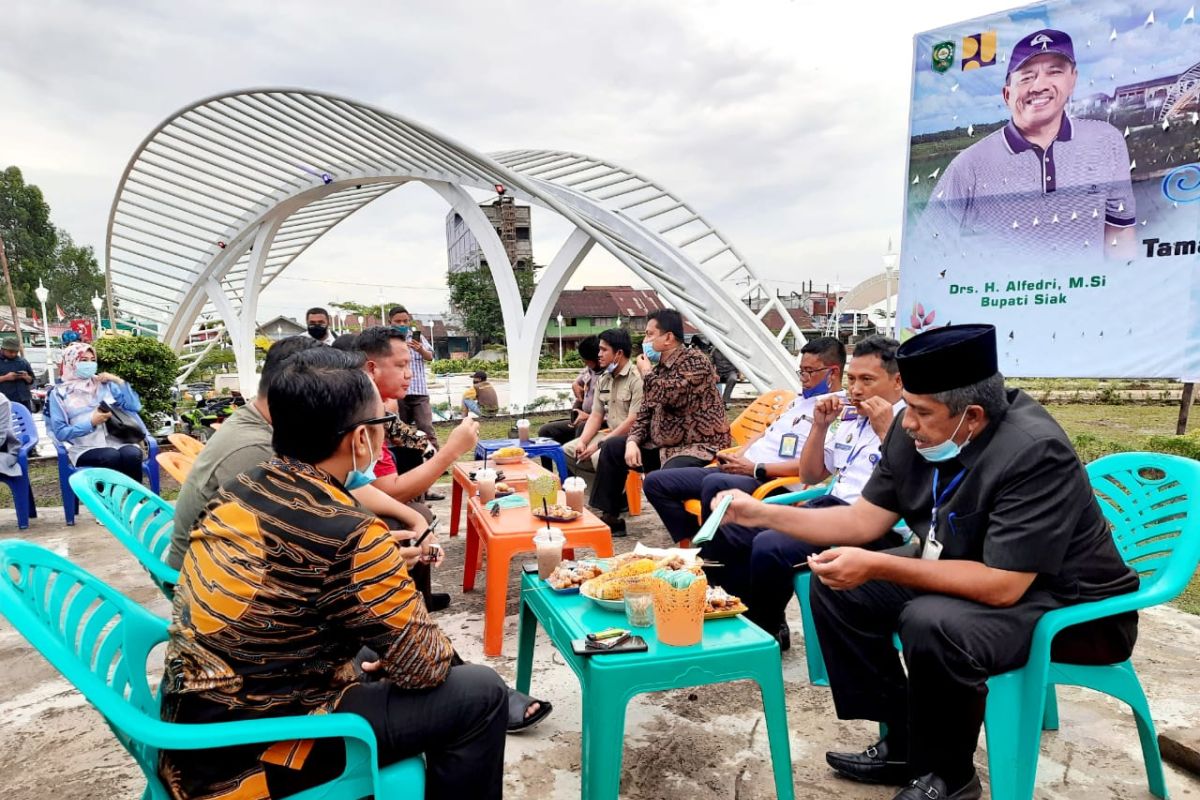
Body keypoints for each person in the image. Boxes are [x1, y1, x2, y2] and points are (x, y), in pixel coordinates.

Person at [714, 324, 1139, 800]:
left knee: (931, 621)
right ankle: (904, 743)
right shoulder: (915, 431)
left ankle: (950, 775)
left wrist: (879, 566)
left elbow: (1003, 585)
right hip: (970, 570)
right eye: (908, 407)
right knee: (837, 588)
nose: (906, 422)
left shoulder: (1034, 452)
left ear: (972, 416)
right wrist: (762, 514)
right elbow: (861, 523)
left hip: (1066, 603)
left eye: (920, 412)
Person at [159, 348, 509, 800]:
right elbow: (425, 668)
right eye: (382, 424)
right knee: (479, 693)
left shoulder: (241, 489)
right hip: (255, 757)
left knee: (378, 650)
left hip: (191, 732)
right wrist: (401, 649)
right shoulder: (353, 531)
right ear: (361, 439)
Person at [166, 336, 428, 574]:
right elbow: (297, 546)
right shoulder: (257, 450)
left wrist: (408, 520)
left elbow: (344, 493)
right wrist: (371, 563)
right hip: (220, 584)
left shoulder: (273, 431)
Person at [918, 29, 1136, 262]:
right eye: (1026, 76)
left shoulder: (1107, 140)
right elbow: (928, 251)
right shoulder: (968, 165)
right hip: (1003, 297)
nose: (1039, 85)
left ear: (1073, 78)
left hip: (1085, 295)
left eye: (1054, 71)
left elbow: (1120, 231)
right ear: (1007, 94)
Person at [642, 336, 846, 547]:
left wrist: (755, 468)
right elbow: (766, 434)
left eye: (809, 372)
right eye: (801, 371)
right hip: (740, 468)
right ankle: (696, 542)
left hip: (768, 481)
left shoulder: (836, 412)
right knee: (656, 482)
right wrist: (737, 455)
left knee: (715, 484)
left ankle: (711, 553)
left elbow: (814, 468)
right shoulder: (799, 401)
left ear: (833, 372)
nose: (803, 377)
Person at [589, 309, 732, 534]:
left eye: (649, 334)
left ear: (668, 337)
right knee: (613, 447)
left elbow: (671, 395)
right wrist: (632, 441)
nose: (645, 341)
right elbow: (645, 410)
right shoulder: (661, 369)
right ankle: (611, 518)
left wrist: (647, 374)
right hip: (664, 445)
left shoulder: (695, 362)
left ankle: (690, 536)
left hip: (696, 447)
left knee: (663, 478)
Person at [47, 342, 146, 484]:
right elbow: (61, 432)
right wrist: (91, 423)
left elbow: (134, 406)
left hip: (116, 441)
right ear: (70, 362)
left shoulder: (104, 384)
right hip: (84, 447)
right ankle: (106, 503)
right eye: (84, 360)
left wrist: (118, 381)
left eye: (93, 360)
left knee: (133, 454)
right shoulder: (59, 393)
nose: (90, 364)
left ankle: (134, 499)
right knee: (110, 456)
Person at [563, 328, 643, 481]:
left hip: (631, 437)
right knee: (568, 451)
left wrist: (598, 445)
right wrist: (583, 441)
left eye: (603, 350)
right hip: (610, 433)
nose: (599, 354)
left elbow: (633, 420)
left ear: (618, 353)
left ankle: (616, 499)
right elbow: (596, 415)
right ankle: (595, 492)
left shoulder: (636, 379)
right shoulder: (604, 379)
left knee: (598, 456)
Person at [387, 306, 438, 450]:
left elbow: (430, 357)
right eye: (398, 321)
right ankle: (406, 461)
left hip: (419, 392)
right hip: (398, 393)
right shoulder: (386, 339)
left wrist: (420, 349)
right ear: (390, 321)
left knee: (426, 427)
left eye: (405, 321)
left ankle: (435, 459)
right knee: (401, 430)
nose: (402, 324)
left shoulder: (418, 337)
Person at [539, 336, 602, 445]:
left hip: (597, 421)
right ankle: (555, 461)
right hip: (581, 416)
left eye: (586, 361)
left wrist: (588, 417)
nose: (585, 363)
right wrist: (575, 385)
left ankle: (574, 458)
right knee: (546, 431)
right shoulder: (590, 369)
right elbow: (578, 382)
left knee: (582, 427)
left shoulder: (609, 374)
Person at [0, 337, 34, 410]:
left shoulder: (22, 362)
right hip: (4, 402)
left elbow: (32, 380)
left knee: (25, 420)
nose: (13, 354)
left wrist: (26, 377)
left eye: (16, 352)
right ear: (2, 349)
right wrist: (5, 377)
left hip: (23, 400)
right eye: (11, 351)